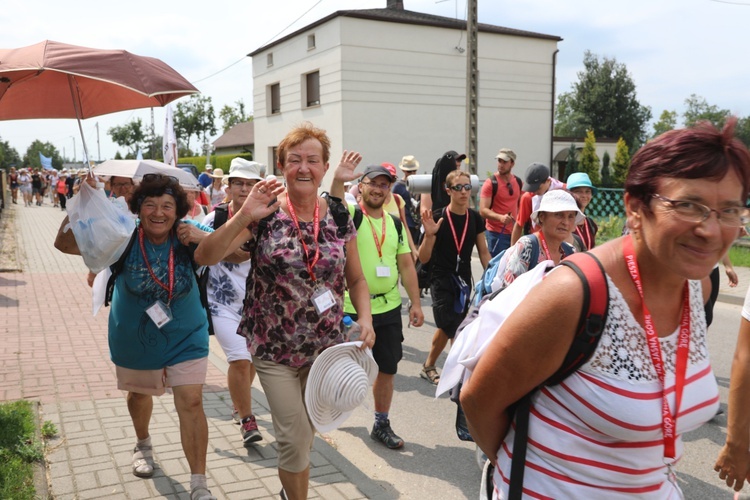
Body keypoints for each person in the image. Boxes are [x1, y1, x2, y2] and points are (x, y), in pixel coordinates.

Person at [461, 119, 750, 499]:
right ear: (635, 207)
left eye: (729, 210)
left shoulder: (700, 286)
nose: (710, 229)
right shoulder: (575, 292)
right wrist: (544, 472)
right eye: (688, 205)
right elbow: (480, 402)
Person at [194, 123, 375, 500]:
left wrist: (365, 319)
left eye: (312, 160)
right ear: (281, 165)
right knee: (293, 437)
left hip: (324, 351)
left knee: (305, 434)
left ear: (325, 166)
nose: (303, 168)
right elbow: (205, 256)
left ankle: (287, 490)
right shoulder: (265, 212)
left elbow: (356, 279)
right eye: (295, 160)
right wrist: (243, 215)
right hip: (273, 348)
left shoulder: (340, 214)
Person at [54, 173, 220, 500]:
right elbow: (63, 243)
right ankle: (143, 443)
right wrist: (85, 200)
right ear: (138, 208)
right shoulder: (121, 235)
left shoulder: (190, 234)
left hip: (187, 334)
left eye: (167, 206)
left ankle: (199, 482)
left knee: (192, 400)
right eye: (150, 205)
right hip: (134, 335)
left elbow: (239, 249)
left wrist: (202, 238)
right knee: (140, 395)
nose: (159, 213)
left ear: (179, 210)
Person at [343, 164, 425, 449]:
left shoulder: (395, 223)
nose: (378, 189)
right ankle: (323, 415)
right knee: (341, 369)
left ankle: (381, 422)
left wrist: (415, 303)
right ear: (361, 186)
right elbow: (330, 204)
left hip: (389, 308)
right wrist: (338, 177)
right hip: (351, 309)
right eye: (373, 183)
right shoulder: (351, 217)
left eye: (384, 184)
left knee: (387, 368)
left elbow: (405, 265)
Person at [202, 158, 264, 446]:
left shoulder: (268, 219)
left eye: (250, 184)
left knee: (250, 360)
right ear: (228, 186)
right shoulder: (214, 218)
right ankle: (247, 420)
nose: (244, 188)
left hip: (258, 303)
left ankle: (239, 403)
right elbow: (199, 250)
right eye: (238, 182)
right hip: (222, 302)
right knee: (239, 360)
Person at [419, 169, 490, 385]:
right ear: (448, 190)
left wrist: (493, 277)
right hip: (441, 279)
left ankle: (429, 365)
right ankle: (459, 372)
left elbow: (484, 251)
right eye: (458, 187)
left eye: (467, 187)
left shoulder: (475, 218)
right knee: (454, 325)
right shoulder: (438, 217)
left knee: (448, 326)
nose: (464, 192)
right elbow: (423, 257)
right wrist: (430, 235)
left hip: (463, 281)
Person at [496, 189, 581, 290]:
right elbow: (509, 293)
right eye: (559, 215)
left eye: (571, 216)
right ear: (541, 217)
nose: (566, 222)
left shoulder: (571, 252)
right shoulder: (527, 246)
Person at [480, 148, 522, 257]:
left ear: (512, 163)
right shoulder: (490, 183)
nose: (501, 165)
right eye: (499, 161)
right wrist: (500, 218)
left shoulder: (518, 182)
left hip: (514, 233)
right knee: (496, 268)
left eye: (505, 162)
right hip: (496, 233)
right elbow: (483, 210)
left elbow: (521, 205)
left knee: (512, 269)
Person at [510, 162, 564, 246]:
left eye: (538, 188)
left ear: (548, 181)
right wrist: (512, 250)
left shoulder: (563, 192)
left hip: (561, 241)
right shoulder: (528, 197)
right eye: (531, 188)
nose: (534, 191)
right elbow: (519, 225)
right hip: (537, 243)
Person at [392, 155, 422, 248]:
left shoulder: (419, 183)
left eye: (414, 171)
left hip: (419, 222)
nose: (412, 173)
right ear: (404, 171)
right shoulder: (398, 186)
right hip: (407, 222)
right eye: (410, 171)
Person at [567, 171, 599, 251]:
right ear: (569, 194)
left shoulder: (591, 224)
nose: (584, 195)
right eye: (579, 191)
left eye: (587, 191)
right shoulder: (564, 222)